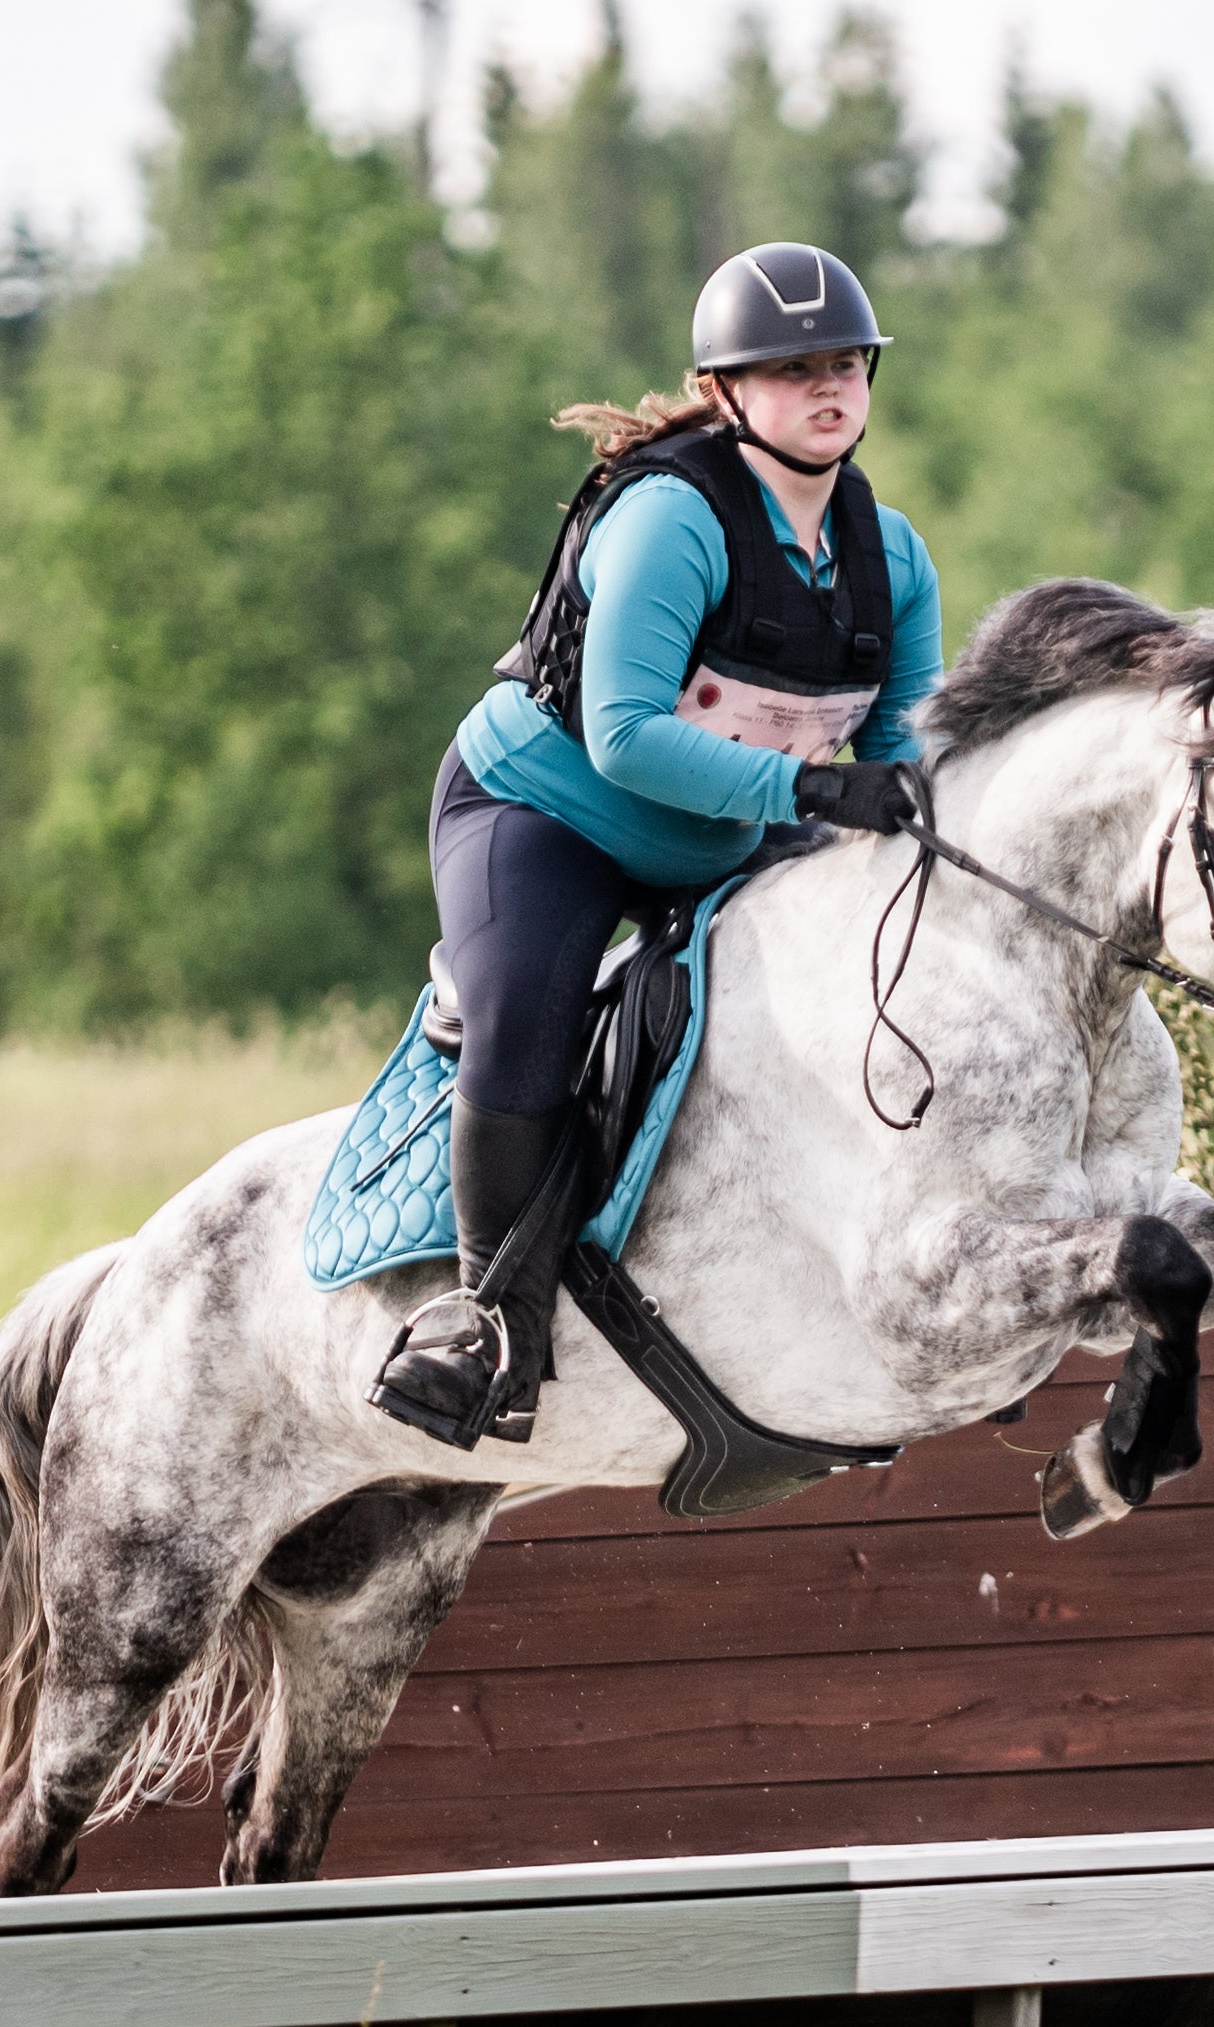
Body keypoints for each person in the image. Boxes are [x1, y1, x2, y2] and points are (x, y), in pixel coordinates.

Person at [374, 240, 948, 1449]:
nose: (828, 386)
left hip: (727, 840)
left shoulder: (890, 557)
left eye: (844, 362)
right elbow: (626, 736)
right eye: (791, 370)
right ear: (727, 393)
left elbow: (903, 753)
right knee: (530, 1011)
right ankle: (479, 1323)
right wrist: (815, 790)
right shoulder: (670, 518)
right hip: (546, 816)